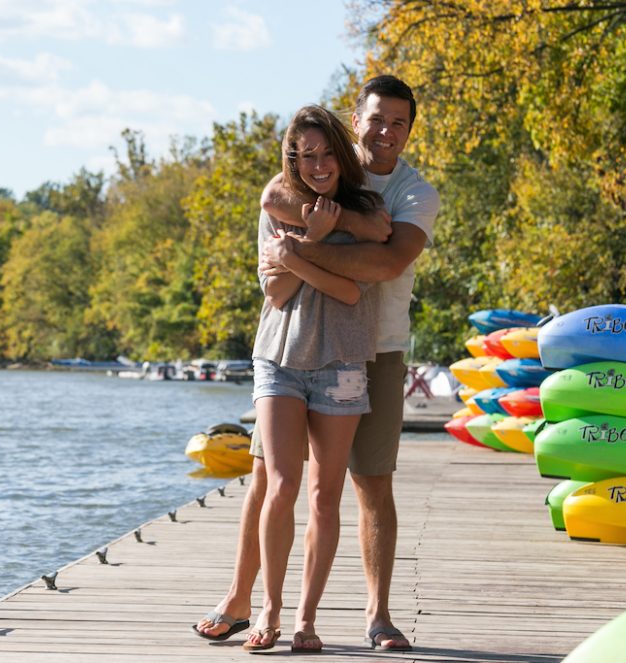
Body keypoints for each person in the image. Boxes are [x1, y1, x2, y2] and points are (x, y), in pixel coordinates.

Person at [193, 74, 439, 652]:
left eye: (398, 122)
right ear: (356, 120)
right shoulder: (318, 165)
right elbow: (274, 200)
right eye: (376, 118)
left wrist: (302, 246)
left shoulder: (408, 193)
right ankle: (242, 600)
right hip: (289, 348)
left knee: (368, 483)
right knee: (268, 482)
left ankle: (375, 616)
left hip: (371, 348)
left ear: (409, 130)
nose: (385, 131)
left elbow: (382, 263)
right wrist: (325, 235)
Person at [239, 104, 384, 653]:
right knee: (281, 486)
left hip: (343, 363)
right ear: (292, 160)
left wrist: (300, 250)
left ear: (340, 155)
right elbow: (274, 294)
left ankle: (304, 620)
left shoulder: (364, 208)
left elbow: (352, 293)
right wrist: (313, 254)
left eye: (326, 153)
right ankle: (268, 612)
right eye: (306, 156)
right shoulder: (277, 205)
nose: (318, 165)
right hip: (279, 360)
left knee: (326, 496)